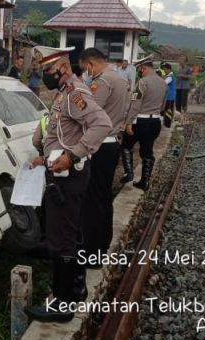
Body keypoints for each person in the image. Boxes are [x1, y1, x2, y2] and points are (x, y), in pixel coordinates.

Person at [26, 45, 112, 323]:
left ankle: (62, 305)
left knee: (62, 240)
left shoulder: (75, 94)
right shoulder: (63, 93)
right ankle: (75, 288)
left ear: (63, 68)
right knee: (71, 234)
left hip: (68, 176)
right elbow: (62, 134)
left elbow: (102, 124)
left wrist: (72, 154)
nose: (46, 76)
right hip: (60, 171)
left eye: (49, 71)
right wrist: (45, 156)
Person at [78, 47, 129, 262]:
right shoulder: (121, 79)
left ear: (91, 63)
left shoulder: (103, 81)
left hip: (100, 146)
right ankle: (102, 247)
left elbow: (90, 113)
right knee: (104, 197)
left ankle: (93, 252)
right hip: (113, 142)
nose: (86, 74)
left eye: (85, 69)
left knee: (94, 200)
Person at [119, 55, 168, 191]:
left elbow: (135, 104)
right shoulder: (163, 83)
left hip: (140, 121)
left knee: (126, 146)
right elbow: (164, 105)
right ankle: (145, 182)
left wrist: (128, 122)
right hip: (155, 122)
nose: (139, 71)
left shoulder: (142, 82)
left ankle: (129, 173)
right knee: (147, 151)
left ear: (143, 68)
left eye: (139, 69)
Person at [161, 62, 176, 128]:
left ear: (168, 69)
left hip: (169, 96)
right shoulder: (170, 76)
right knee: (168, 110)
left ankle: (167, 124)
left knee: (168, 110)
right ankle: (167, 123)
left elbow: (164, 83)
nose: (164, 71)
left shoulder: (170, 77)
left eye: (165, 70)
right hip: (170, 96)